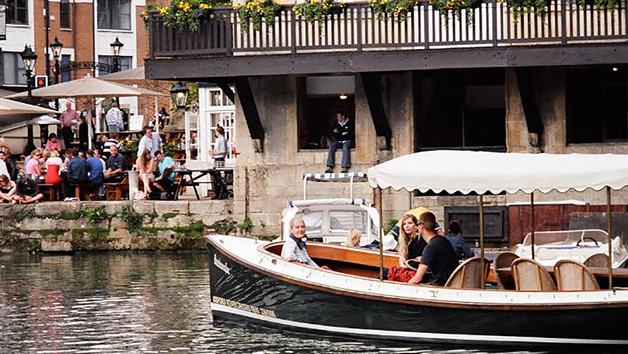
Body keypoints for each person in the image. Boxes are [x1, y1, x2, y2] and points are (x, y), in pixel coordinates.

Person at [408, 212, 459, 286]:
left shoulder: (430, 247)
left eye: (417, 224)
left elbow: (417, 279)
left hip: (441, 286)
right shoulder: (443, 240)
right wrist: (423, 259)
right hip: (452, 282)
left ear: (421, 226)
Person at [386, 214, 427, 282]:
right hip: (409, 267)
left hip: (417, 270)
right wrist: (402, 257)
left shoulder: (419, 239)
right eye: (404, 224)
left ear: (416, 225)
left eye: (410, 223)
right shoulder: (406, 239)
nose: (407, 226)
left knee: (385, 273)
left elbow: (415, 258)